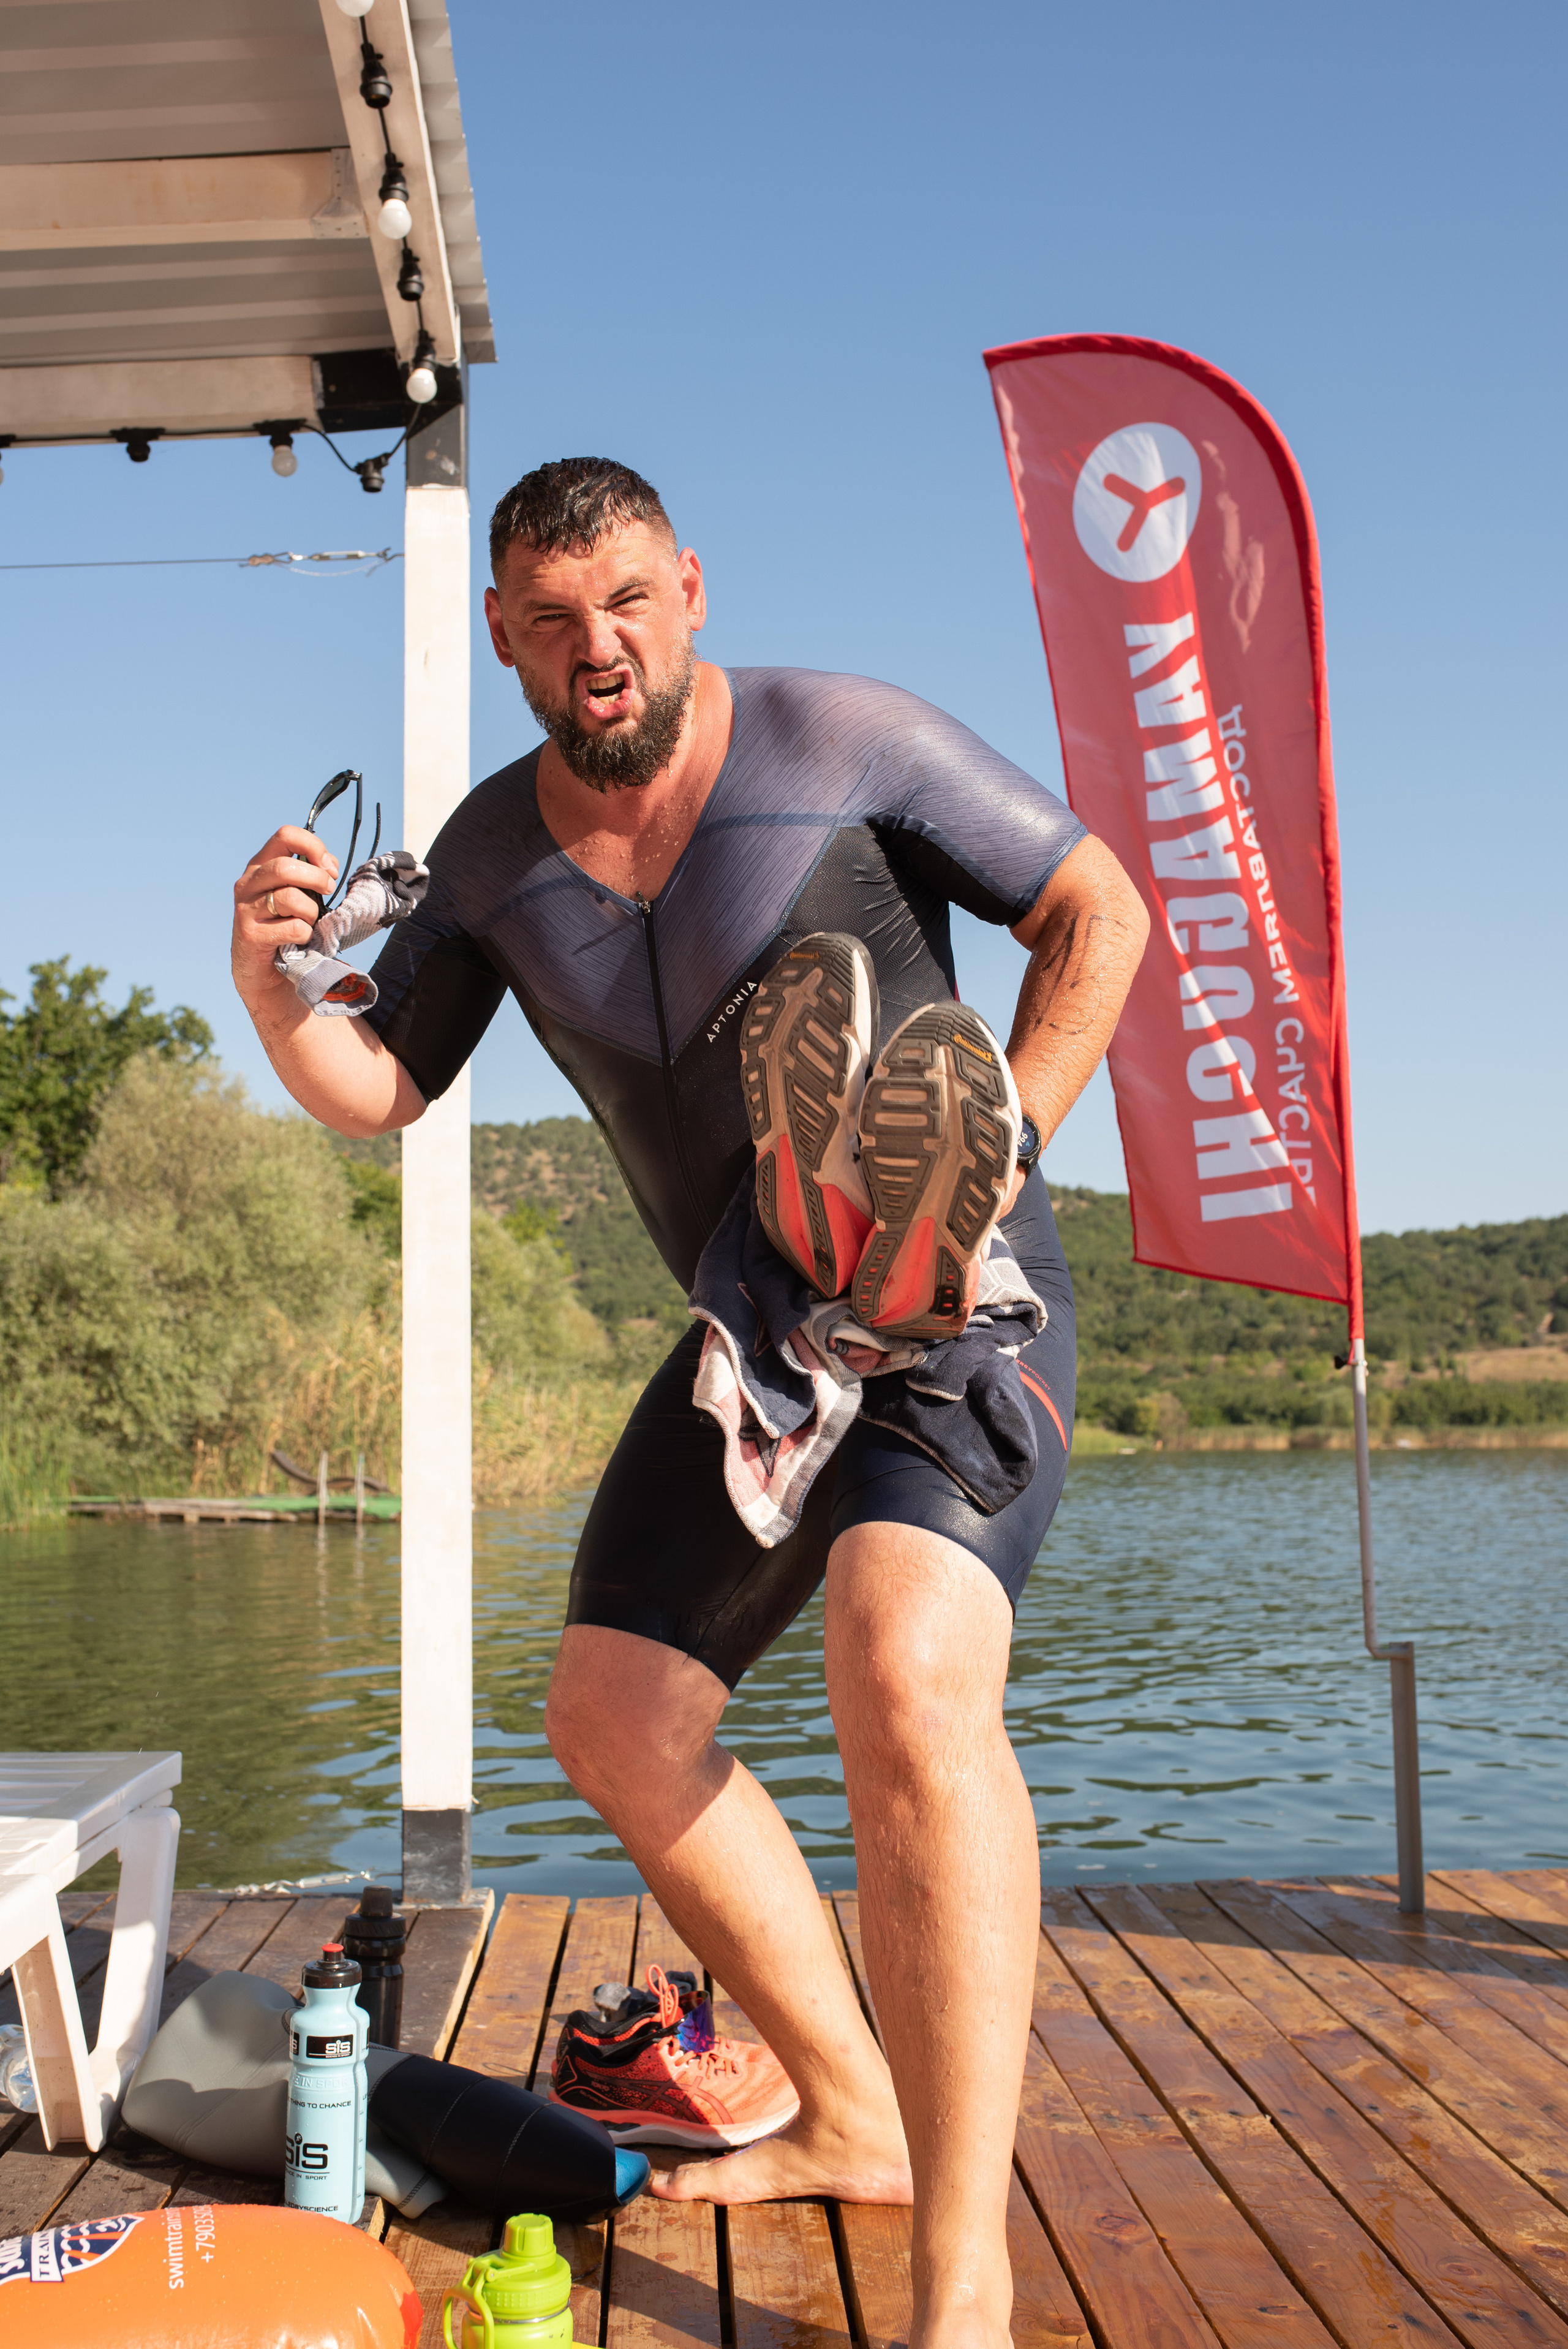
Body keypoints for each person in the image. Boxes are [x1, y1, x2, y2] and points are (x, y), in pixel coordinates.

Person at [231, 457, 1148, 2349]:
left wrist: (988, 1153)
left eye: (630, 599)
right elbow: (384, 1085)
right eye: (556, 619)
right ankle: (859, 2111)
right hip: (755, 1318)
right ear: (502, 632)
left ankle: (959, 2284)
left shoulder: (848, 738)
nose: (601, 645)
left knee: (906, 1672)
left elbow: (1098, 914)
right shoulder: (488, 853)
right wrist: (266, 990)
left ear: (691, 587)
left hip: (948, 1288)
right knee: (616, 1717)